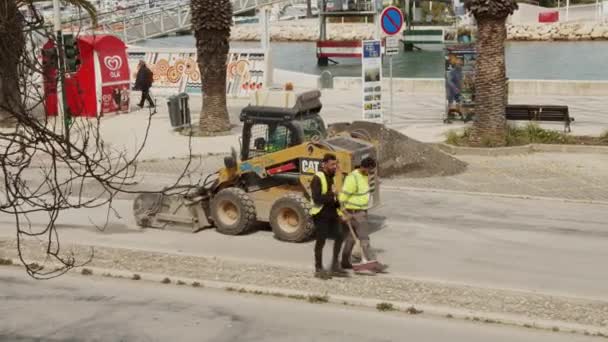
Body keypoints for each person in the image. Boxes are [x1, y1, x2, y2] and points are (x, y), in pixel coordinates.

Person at [339, 156, 387, 273]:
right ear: (364, 167)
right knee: (364, 238)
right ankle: (372, 262)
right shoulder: (353, 178)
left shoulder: (366, 176)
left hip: (362, 211)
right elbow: (341, 199)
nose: (371, 172)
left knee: (351, 238)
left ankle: (345, 262)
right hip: (354, 213)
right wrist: (344, 214)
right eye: (370, 170)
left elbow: (368, 189)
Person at [310, 153, 349, 280]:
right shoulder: (317, 177)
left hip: (332, 213)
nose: (335, 166)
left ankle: (334, 266)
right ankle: (318, 269)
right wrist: (332, 195)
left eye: (335, 164)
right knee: (321, 241)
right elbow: (317, 198)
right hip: (321, 214)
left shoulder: (330, 176)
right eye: (332, 164)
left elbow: (333, 196)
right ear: (325, 164)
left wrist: (340, 208)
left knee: (340, 236)